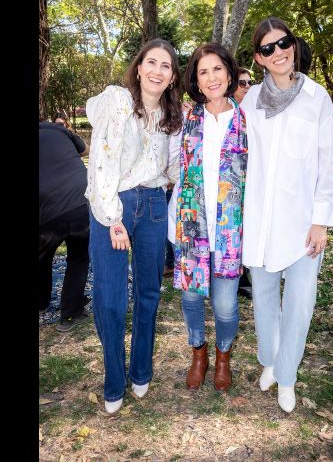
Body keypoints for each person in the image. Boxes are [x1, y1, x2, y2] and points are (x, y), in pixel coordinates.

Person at [239, 17, 333, 413]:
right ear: (258, 59)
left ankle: (287, 375)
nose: (278, 52)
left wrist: (321, 221)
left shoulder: (317, 98)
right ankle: (270, 360)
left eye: (283, 43)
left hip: (303, 223)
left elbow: (328, 163)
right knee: (264, 297)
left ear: (293, 46)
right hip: (260, 220)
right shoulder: (249, 103)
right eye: (268, 48)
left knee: (299, 303)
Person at [85, 38, 184, 414]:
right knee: (111, 298)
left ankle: (141, 368)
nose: (158, 71)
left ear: (172, 77)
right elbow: (101, 161)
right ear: (139, 67)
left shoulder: (171, 118)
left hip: (155, 205)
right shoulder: (118, 102)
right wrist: (113, 218)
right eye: (152, 63)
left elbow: (173, 169)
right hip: (114, 204)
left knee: (148, 293)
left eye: (166, 66)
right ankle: (114, 379)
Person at [167, 42, 247, 392]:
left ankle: (224, 356)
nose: (211, 77)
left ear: (229, 73)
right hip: (189, 226)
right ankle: (198, 354)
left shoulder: (248, 119)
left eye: (217, 69)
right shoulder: (186, 119)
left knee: (227, 305)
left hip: (231, 229)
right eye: (203, 72)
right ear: (195, 81)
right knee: (190, 298)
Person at [39, 120, 91, 332]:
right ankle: (70, 314)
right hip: (81, 200)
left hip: (47, 209)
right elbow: (86, 150)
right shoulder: (59, 130)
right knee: (78, 258)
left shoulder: (56, 130)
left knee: (42, 257)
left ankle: (41, 303)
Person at [231, 67, 256, 300]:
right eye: (242, 83)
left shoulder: (255, 112)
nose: (247, 87)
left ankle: (245, 274)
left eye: (250, 82)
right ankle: (238, 278)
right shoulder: (228, 113)